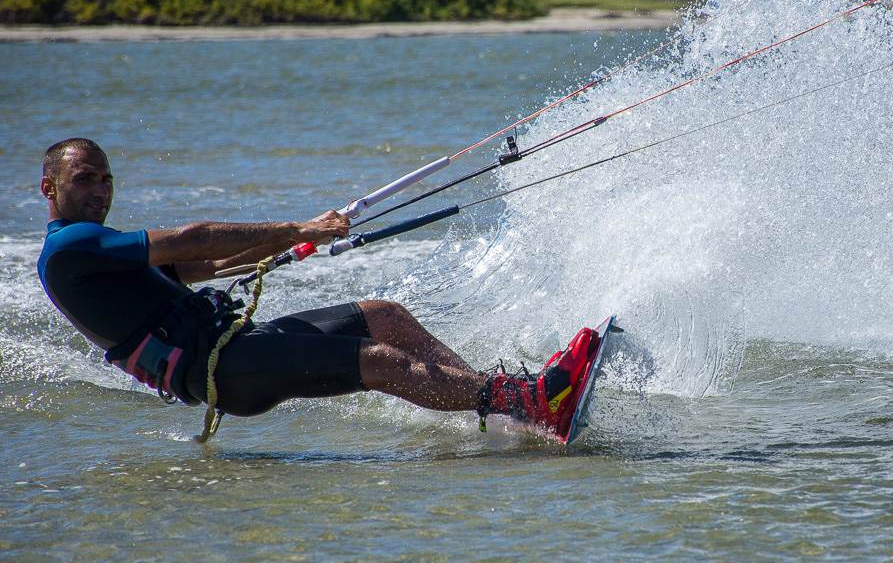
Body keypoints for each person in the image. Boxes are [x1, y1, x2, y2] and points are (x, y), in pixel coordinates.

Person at [36, 137, 597, 440]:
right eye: (85, 178)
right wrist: (298, 228)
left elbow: (210, 261)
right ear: (50, 188)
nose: (101, 189)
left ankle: (504, 405)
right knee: (378, 360)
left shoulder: (102, 253)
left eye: (106, 178)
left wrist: (300, 242)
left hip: (238, 345)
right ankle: (531, 401)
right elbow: (193, 237)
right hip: (223, 370)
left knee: (384, 316)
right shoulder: (69, 247)